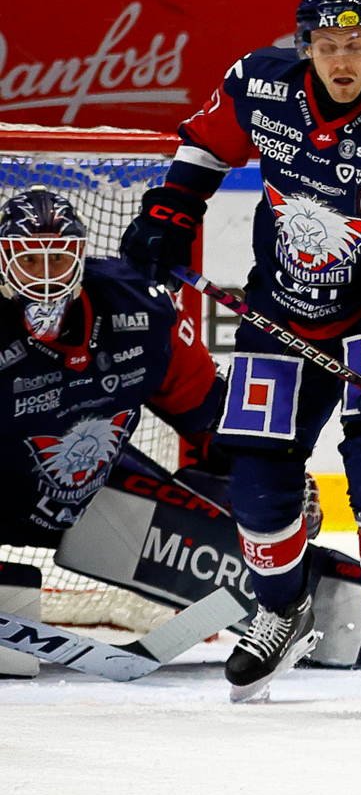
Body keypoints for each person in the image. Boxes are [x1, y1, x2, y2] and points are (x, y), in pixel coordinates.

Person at [119, 0, 361, 710]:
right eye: (328, 44)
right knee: (260, 480)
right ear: (304, 46)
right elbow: (206, 147)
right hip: (282, 307)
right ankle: (279, 608)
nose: (343, 60)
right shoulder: (259, 85)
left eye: (358, 45)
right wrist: (170, 212)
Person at [1, 186, 223, 551]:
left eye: (57, 259)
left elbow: (210, 411)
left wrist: (270, 477)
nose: (44, 276)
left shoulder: (138, 307)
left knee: (241, 489)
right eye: (28, 261)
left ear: (79, 257)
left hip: (94, 500)